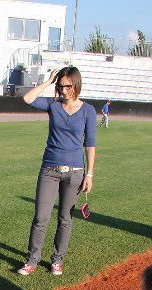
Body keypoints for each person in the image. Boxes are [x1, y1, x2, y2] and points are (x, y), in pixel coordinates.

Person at [18, 66, 96, 276]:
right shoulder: (53, 105)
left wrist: (90, 174)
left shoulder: (88, 110)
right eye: (60, 86)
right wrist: (48, 81)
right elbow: (27, 98)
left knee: (65, 219)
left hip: (75, 172)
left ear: (76, 84)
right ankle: (32, 260)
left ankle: (57, 260)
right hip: (49, 170)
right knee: (40, 218)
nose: (63, 90)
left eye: (68, 86)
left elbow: (90, 144)